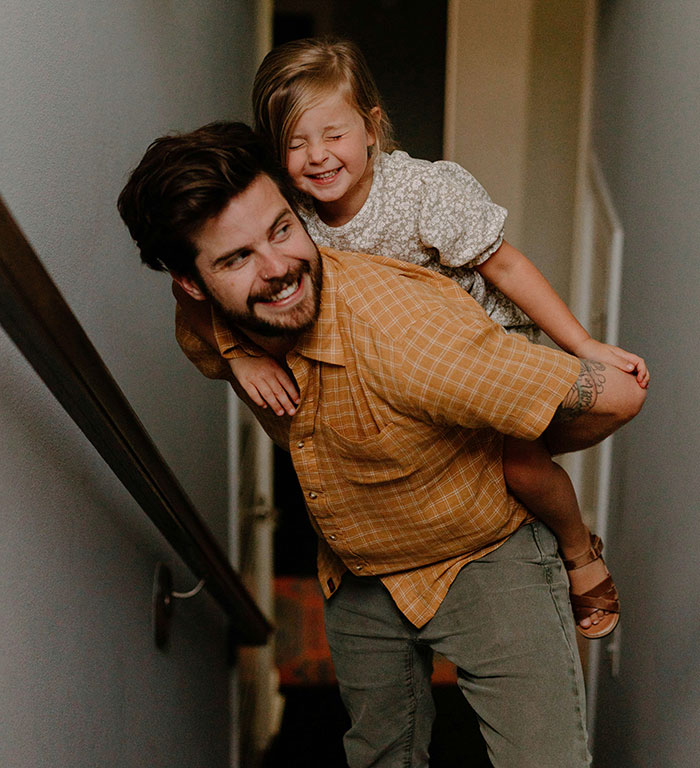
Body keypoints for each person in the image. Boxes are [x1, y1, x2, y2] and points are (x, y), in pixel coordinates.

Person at [117, 122, 646, 767]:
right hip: (360, 577)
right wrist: (239, 356)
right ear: (192, 283)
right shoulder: (204, 321)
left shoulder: (411, 341)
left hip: (485, 556)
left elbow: (619, 395)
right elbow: (204, 329)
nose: (280, 268)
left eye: (283, 229)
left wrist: (503, 440)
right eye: (237, 258)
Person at [176, 38, 649, 639]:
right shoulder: (287, 217)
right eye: (295, 144)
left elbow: (505, 267)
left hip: (479, 344)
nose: (317, 157)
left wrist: (583, 346)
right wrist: (241, 359)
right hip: (391, 380)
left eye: (334, 135)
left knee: (520, 468)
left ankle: (580, 551)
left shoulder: (425, 192)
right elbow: (214, 289)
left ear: (371, 127)